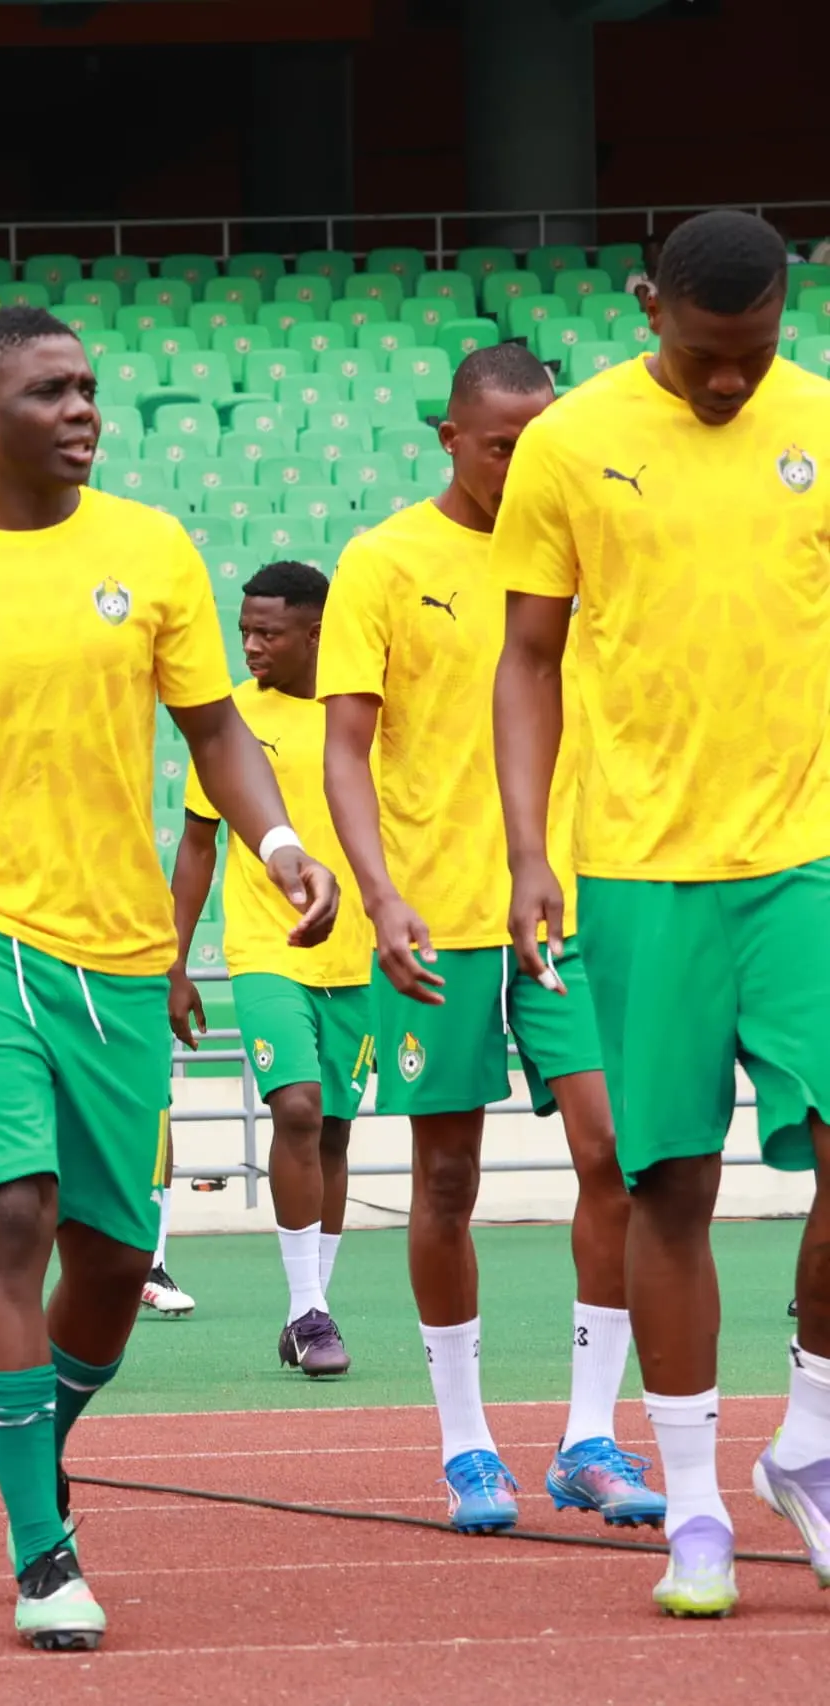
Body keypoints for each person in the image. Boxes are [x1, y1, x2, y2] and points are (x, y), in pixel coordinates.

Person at [0, 306, 340, 1651]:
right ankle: (42, 1549)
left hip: (120, 949)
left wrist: (277, 842)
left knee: (112, 1253)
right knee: (9, 1214)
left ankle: (36, 1442)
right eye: (50, 391)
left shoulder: (152, 549)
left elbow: (215, 729)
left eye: (88, 386)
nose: (83, 408)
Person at [493, 208, 830, 1618]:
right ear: (648, 310)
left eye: (754, 351)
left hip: (809, 852)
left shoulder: (823, 420)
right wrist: (528, 850)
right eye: (704, 356)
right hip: (638, 865)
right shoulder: (570, 443)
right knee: (669, 1185)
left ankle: (809, 1441)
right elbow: (526, 657)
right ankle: (694, 1504)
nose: (730, 380)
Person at [320, 342, 656, 1537]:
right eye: (502, 445)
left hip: (571, 909)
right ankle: (465, 1443)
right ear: (450, 438)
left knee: (614, 1154)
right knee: (446, 1177)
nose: (522, 464)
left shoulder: (584, 552)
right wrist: (378, 894)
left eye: (539, 443)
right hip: (438, 916)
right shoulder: (384, 561)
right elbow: (344, 748)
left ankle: (587, 1435)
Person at [165, 563, 372, 1378]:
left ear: (316, 633)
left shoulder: (365, 711)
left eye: (267, 632)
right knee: (297, 1107)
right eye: (244, 630)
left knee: (335, 1129)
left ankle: (313, 1309)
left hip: (359, 957)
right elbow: (196, 846)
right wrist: (176, 962)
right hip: (265, 950)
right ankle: (307, 1308)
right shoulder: (229, 720)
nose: (250, 645)